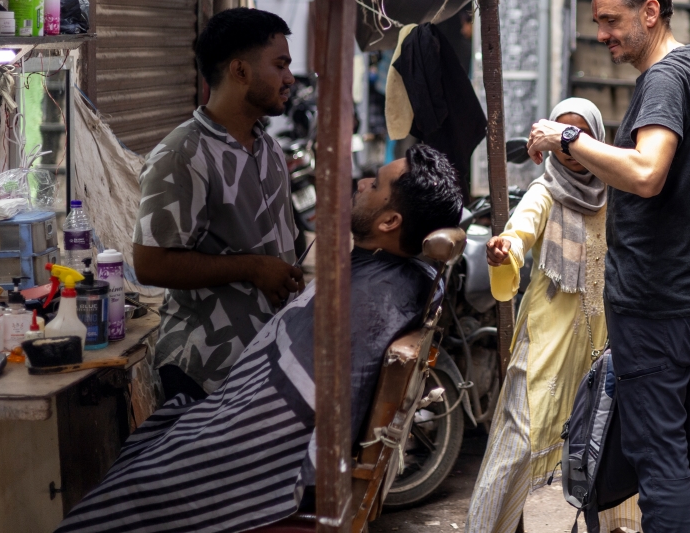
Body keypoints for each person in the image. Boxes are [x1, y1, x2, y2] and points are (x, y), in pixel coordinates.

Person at [57, 145, 465, 533]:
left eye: (374, 185)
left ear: (389, 223)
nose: (361, 184)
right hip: (233, 412)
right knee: (152, 443)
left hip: (254, 447)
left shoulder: (372, 296)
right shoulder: (406, 278)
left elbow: (288, 408)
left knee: (122, 498)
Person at [526, 0, 690, 533]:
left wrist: (569, 136)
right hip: (679, 294)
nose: (604, 34)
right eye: (598, 22)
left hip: (655, 298)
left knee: (656, 452)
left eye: (612, 20)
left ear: (651, 12)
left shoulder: (666, 79)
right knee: (686, 437)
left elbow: (646, 173)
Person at [468, 97, 641, 533]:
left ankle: (619, 526)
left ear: (596, 139)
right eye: (563, 137)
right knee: (521, 435)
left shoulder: (617, 192)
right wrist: (504, 248)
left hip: (605, 336)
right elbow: (522, 227)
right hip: (549, 334)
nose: (570, 149)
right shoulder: (544, 191)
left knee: (611, 437)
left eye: (579, 135)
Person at [133, 8, 306, 400]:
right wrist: (253, 267)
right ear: (240, 71)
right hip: (205, 369)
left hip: (262, 363)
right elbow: (150, 263)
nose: (289, 78)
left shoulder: (269, 148)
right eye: (280, 65)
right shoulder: (183, 154)